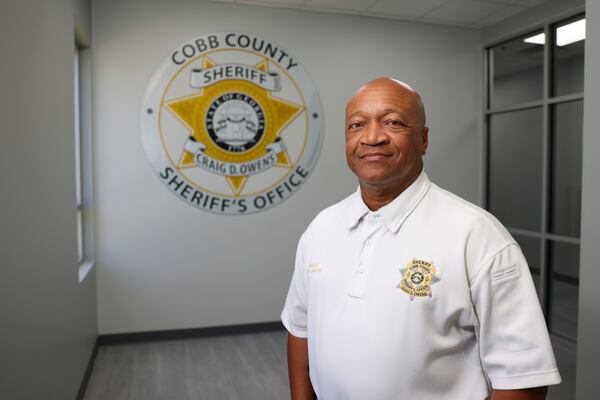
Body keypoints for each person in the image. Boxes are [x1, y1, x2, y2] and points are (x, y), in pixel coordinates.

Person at [281, 77, 561, 400]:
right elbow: (300, 329)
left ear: (423, 140)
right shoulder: (320, 228)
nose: (372, 137)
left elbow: (522, 376)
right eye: (357, 125)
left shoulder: (477, 236)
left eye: (393, 122)